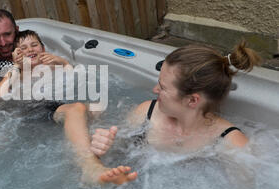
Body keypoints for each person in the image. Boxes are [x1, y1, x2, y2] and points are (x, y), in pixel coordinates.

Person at [0, 30, 138, 185]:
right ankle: (89, 167)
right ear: (17, 54)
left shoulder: (56, 67)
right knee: (77, 108)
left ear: (43, 48)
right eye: (23, 48)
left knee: (96, 108)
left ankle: (89, 151)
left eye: (34, 45)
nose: (30, 50)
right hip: (33, 108)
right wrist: (16, 67)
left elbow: (79, 80)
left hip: (56, 106)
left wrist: (63, 62)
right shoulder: (18, 74)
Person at [90, 42, 262, 156]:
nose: (154, 90)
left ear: (192, 100)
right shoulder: (145, 114)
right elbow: (116, 153)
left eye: (162, 87)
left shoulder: (231, 143)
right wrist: (102, 145)